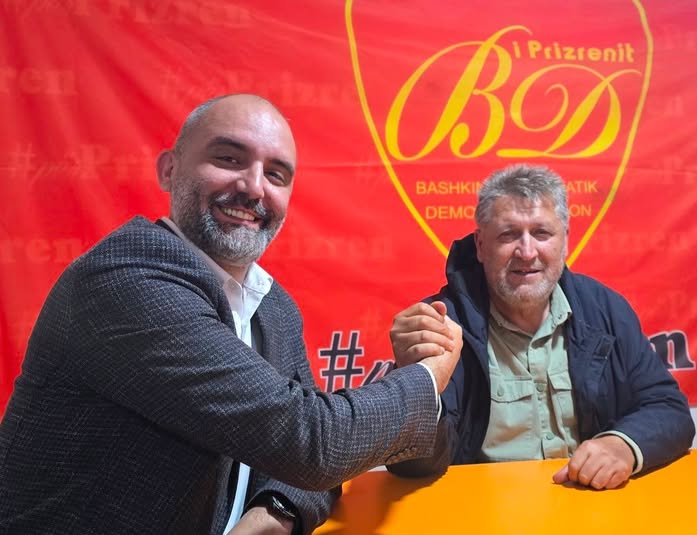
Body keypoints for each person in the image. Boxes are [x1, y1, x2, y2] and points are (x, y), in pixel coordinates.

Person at [0, 94, 462, 534]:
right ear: (169, 170)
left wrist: (278, 511)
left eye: (276, 175)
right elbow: (313, 443)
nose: (253, 187)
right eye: (228, 159)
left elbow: (308, 466)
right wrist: (426, 377)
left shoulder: (273, 307)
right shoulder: (126, 281)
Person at [387, 164, 695, 490]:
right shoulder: (442, 323)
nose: (527, 251)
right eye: (508, 235)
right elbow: (411, 466)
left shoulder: (605, 310)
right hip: (481, 509)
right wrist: (414, 385)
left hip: (589, 503)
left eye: (541, 233)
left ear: (565, 241)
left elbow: (668, 408)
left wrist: (623, 445)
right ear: (480, 245)